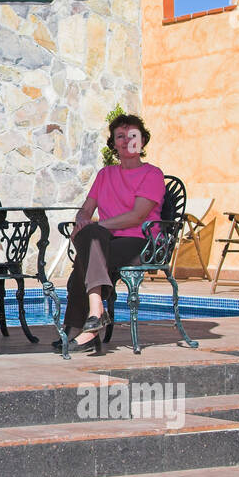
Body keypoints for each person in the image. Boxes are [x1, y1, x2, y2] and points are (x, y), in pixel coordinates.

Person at [64, 114, 165, 356]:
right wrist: (82, 221)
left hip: (142, 243)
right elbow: (86, 209)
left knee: (85, 255)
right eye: (120, 136)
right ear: (113, 142)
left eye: (133, 135)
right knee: (91, 241)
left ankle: (80, 327)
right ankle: (95, 315)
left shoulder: (152, 174)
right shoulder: (105, 175)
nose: (126, 140)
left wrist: (95, 227)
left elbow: (137, 217)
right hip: (107, 240)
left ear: (142, 142)